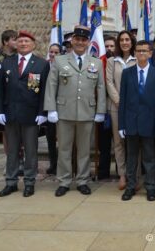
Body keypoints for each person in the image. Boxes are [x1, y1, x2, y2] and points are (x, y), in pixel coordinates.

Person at [44, 25, 107, 197]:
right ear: (72, 41)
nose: (80, 42)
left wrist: (101, 110)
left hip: (87, 112)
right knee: (64, 149)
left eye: (83, 40)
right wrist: (51, 109)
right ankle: (64, 181)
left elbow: (101, 87)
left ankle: (82, 181)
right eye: (77, 39)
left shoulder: (96, 63)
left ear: (88, 42)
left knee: (84, 150)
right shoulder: (60, 60)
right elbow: (52, 85)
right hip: (64, 112)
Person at [0, 30, 50, 198]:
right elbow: (0, 90)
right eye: (20, 41)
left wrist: (43, 112)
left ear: (33, 44)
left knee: (31, 151)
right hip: (11, 114)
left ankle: (29, 182)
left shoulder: (41, 64)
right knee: (12, 151)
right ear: (16, 44)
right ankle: (10, 182)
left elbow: (43, 91)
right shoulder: (7, 63)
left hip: (31, 115)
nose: (23, 44)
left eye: (27, 41)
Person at [118, 40, 155, 201]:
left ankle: (150, 187)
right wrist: (121, 124)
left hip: (149, 123)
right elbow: (123, 101)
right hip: (131, 123)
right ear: (135, 53)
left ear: (151, 53)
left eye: (145, 51)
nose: (141, 53)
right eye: (138, 51)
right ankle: (130, 187)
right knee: (131, 158)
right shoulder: (127, 73)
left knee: (149, 158)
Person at [105, 30, 136, 191]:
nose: (125, 42)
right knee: (118, 142)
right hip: (116, 108)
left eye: (127, 40)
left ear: (132, 42)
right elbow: (109, 83)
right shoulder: (112, 61)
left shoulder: (138, 59)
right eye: (122, 40)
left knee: (134, 141)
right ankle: (122, 174)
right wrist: (119, 101)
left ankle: (134, 175)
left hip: (134, 108)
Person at [96, 34, 117, 180]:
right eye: (106, 46)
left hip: (115, 106)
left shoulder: (117, 63)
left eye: (111, 46)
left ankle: (119, 171)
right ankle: (103, 172)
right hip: (102, 108)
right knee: (103, 145)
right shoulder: (98, 63)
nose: (109, 49)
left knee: (119, 143)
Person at [45, 43, 62, 174]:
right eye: (51, 52)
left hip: (62, 107)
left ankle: (63, 164)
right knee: (50, 138)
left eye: (56, 52)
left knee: (63, 139)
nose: (53, 55)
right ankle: (53, 163)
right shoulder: (42, 66)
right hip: (47, 108)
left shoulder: (63, 67)